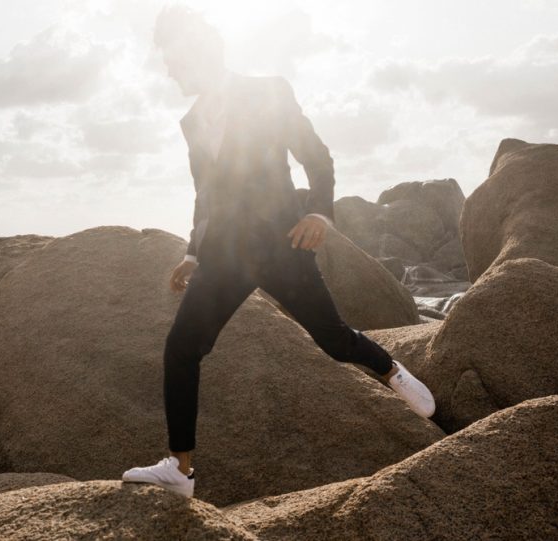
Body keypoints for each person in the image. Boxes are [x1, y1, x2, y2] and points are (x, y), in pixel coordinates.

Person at [121, 4, 435, 499]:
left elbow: (316, 156)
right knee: (182, 347)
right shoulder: (191, 121)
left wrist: (320, 214)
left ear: (199, 49)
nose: (169, 67)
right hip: (224, 255)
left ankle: (391, 369)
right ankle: (180, 470)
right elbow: (206, 194)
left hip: (282, 244)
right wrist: (193, 252)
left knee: (331, 339)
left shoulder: (268, 90)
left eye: (172, 56)